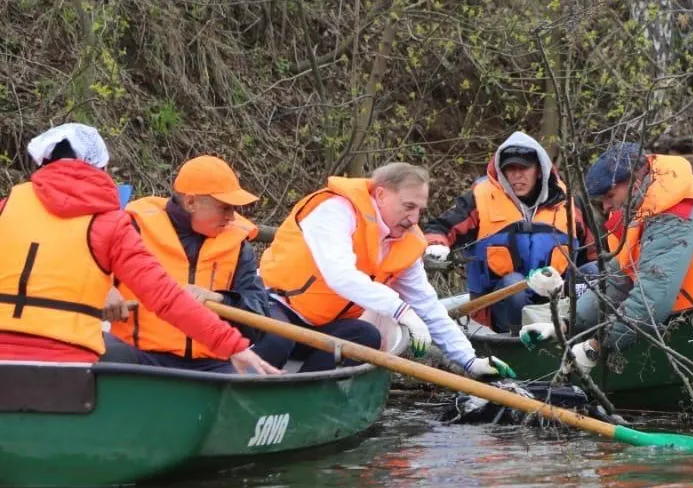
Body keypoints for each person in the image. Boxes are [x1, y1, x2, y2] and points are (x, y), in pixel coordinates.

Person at [0, 123, 278, 375]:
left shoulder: (6, 208)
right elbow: (166, 297)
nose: (231, 215)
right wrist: (233, 345)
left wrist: (220, 304)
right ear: (101, 169)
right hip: (76, 365)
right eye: (224, 206)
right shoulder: (115, 225)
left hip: (208, 362)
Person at [523, 143, 693, 370]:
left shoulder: (674, 218)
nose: (606, 207)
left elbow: (650, 303)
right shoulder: (649, 207)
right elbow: (616, 281)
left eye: (610, 196)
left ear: (636, 179)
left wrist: (595, 346)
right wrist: (566, 325)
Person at [256, 161, 516, 377]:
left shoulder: (405, 242)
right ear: (380, 194)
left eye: (419, 210)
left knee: (365, 335)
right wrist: (401, 310)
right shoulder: (335, 211)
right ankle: (244, 392)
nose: (414, 219)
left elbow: (427, 306)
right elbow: (340, 276)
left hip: (324, 328)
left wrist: (470, 360)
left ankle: (306, 396)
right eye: (408, 207)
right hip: (277, 307)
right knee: (276, 338)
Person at [102, 155, 273, 373]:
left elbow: (258, 318)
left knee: (253, 378)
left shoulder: (238, 246)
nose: (232, 217)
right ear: (191, 202)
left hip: (212, 364)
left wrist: (222, 299)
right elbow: (82, 269)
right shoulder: (133, 228)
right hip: (142, 357)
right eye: (225, 208)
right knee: (100, 353)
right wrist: (103, 289)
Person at [423, 131, 597, 333]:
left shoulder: (569, 205)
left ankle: (581, 332)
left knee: (595, 273)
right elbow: (441, 228)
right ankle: (520, 347)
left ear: (539, 170)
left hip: (558, 298)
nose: (516, 175)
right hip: (498, 305)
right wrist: (435, 245)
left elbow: (593, 254)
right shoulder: (479, 199)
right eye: (510, 169)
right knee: (515, 285)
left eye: (524, 168)